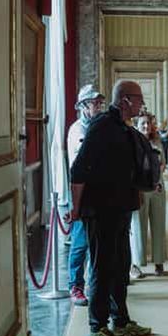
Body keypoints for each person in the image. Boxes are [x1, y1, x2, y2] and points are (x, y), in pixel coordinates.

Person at [69, 80, 152, 336]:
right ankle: (97, 326)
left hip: (120, 209)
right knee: (102, 267)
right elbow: (79, 170)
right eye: (139, 98)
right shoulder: (102, 125)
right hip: (100, 210)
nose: (142, 104)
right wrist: (76, 208)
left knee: (120, 266)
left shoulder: (122, 127)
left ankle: (121, 320)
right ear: (126, 99)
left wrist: (135, 194)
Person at [64, 84, 105, 306]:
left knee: (97, 240)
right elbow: (86, 162)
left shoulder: (99, 127)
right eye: (94, 102)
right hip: (81, 190)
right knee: (80, 242)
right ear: (83, 106)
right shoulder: (77, 130)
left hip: (98, 190)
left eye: (100, 102)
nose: (98, 106)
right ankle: (75, 286)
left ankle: (94, 282)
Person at [129, 113, 168, 278]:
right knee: (138, 226)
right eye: (143, 124)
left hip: (157, 187)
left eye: (149, 124)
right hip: (139, 189)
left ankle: (159, 262)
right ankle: (135, 264)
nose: (146, 127)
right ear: (137, 126)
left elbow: (163, 164)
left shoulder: (157, 142)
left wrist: (157, 179)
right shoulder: (132, 143)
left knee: (158, 224)